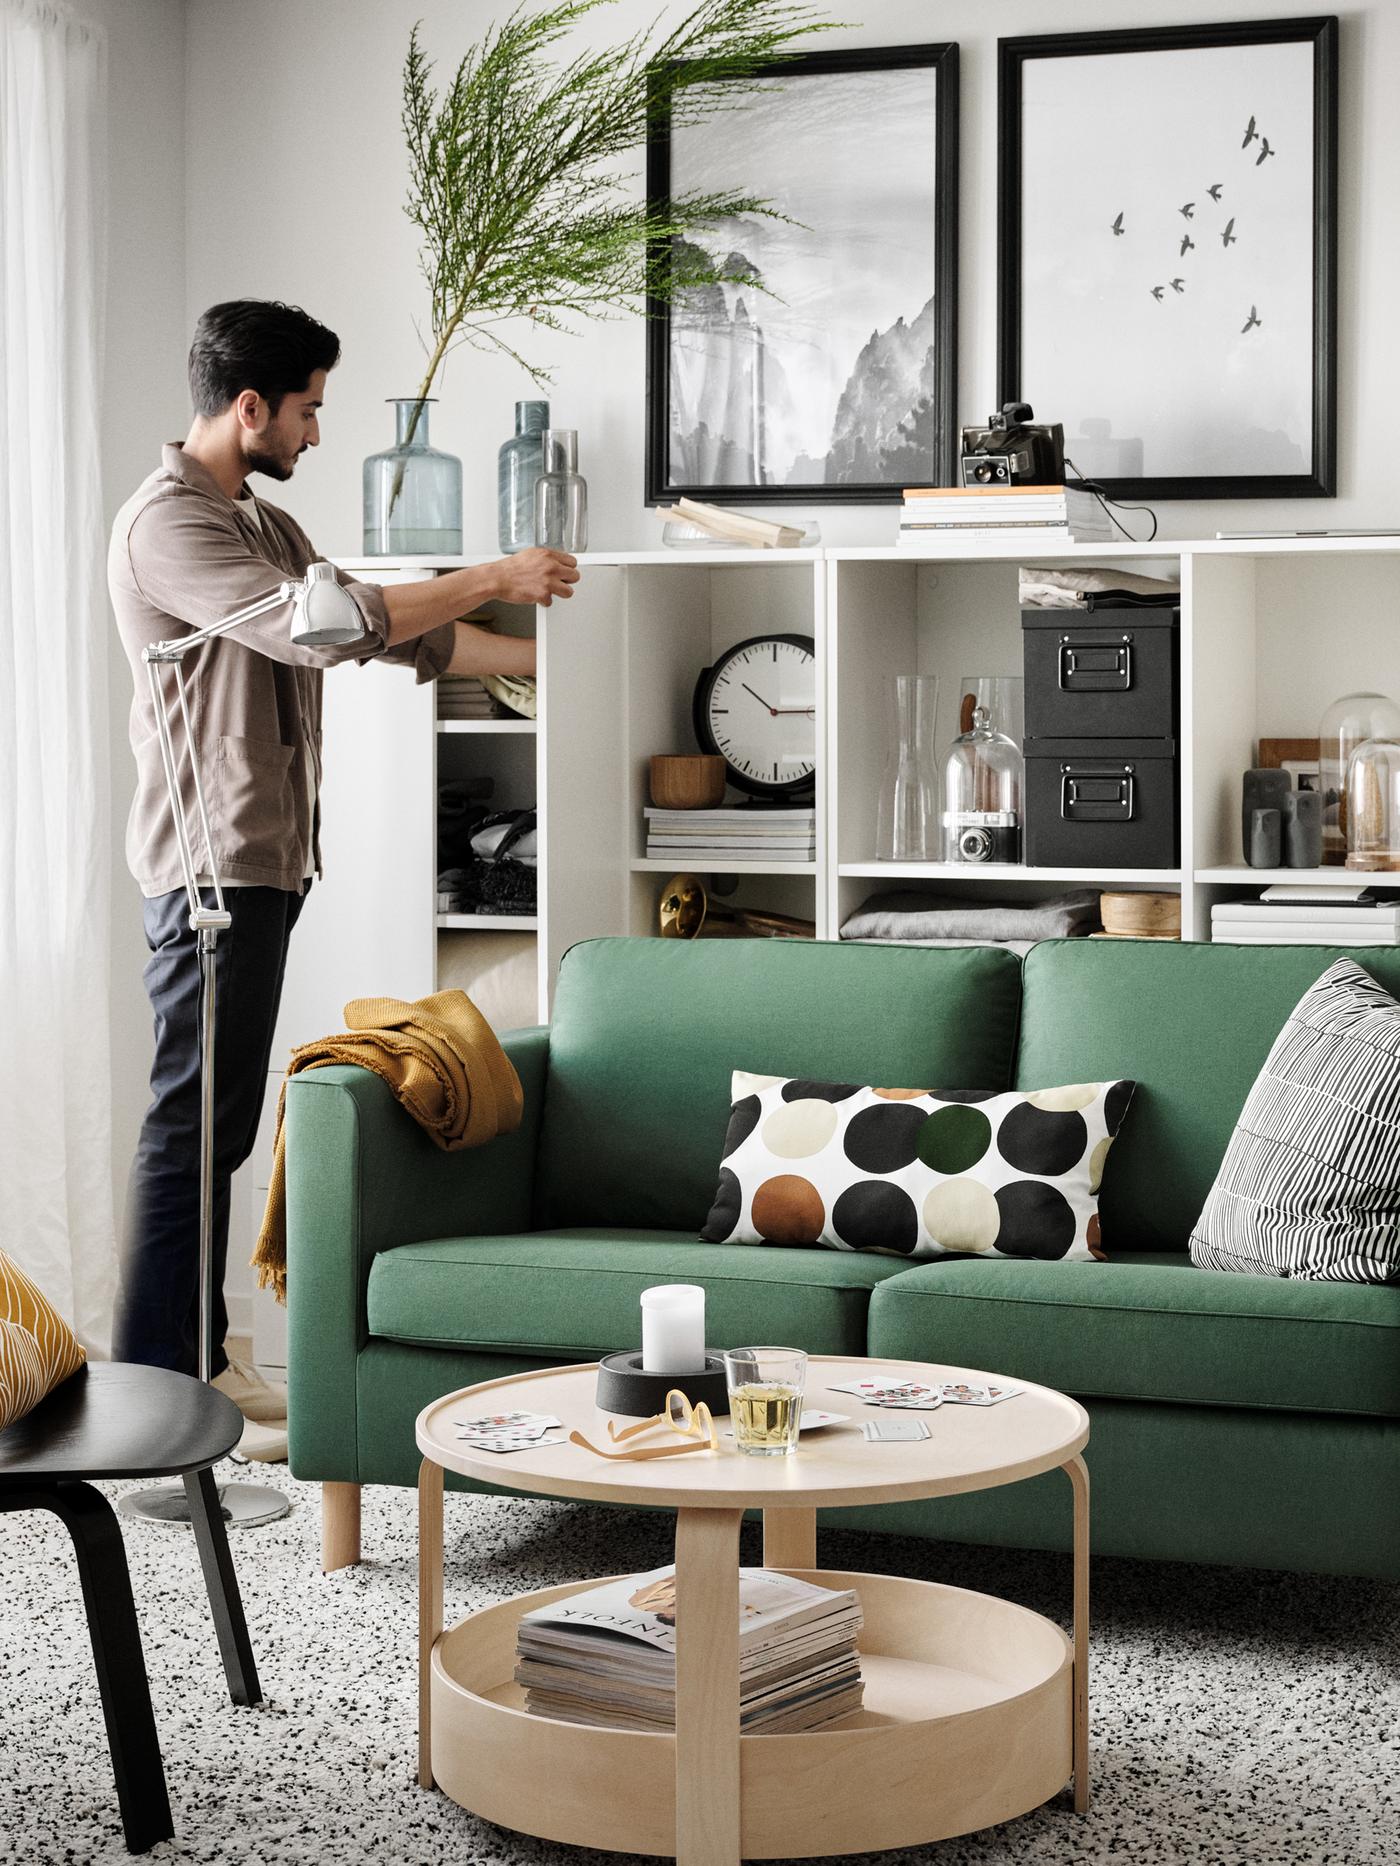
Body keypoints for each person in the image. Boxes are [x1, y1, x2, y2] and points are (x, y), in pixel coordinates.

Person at [108, 299, 578, 1457]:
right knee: (190, 1127)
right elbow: (316, 627)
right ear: (250, 406)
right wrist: (487, 573)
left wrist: (560, 658)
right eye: (308, 410)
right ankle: (156, 1390)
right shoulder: (167, 524)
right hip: (209, 866)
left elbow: (398, 637)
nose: (316, 433)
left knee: (217, 1126)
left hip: (265, 859)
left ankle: (204, 1360)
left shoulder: (263, 524)